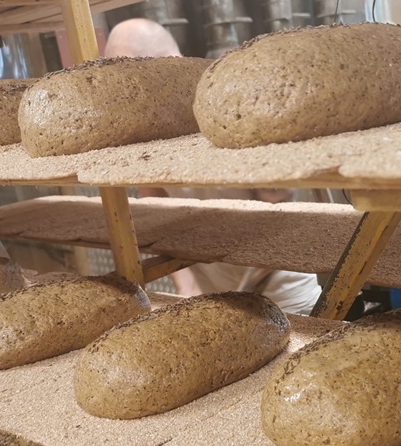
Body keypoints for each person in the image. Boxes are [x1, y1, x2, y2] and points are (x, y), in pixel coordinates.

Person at [104, 18, 322, 315]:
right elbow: (156, 207)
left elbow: (277, 207)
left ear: (171, 62)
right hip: (213, 290)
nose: (128, 93)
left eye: (132, 77)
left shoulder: (233, 101)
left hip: (282, 287)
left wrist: (247, 286)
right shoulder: (146, 127)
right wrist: (186, 285)